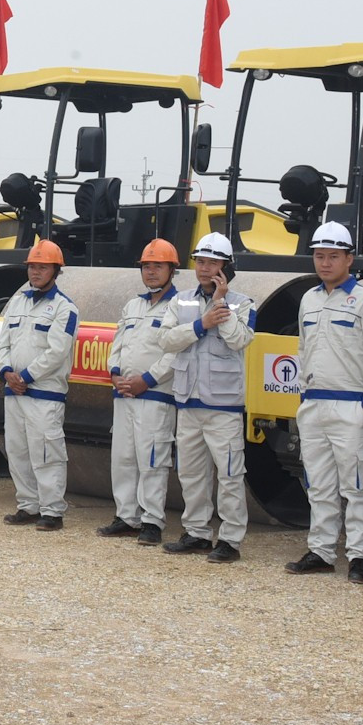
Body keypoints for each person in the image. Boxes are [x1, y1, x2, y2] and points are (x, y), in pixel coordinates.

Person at [285, 222, 363, 583]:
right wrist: (302, 395)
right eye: (319, 256)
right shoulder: (309, 299)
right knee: (319, 483)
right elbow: (302, 349)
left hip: (350, 405)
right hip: (314, 405)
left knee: (357, 484)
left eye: (332, 256)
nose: (325, 263)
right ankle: (322, 550)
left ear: (349, 258)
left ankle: (360, 556)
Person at [158, 233, 256, 562]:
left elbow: (239, 340)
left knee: (230, 474)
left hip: (224, 406)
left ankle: (230, 539)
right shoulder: (181, 300)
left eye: (212, 262)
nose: (204, 268)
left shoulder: (243, 303)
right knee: (191, 473)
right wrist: (200, 325)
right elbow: (166, 340)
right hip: (187, 401)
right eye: (200, 261)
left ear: (227, 267)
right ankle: (197, 532)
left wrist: (221, 305)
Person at [103, 238, 184, 545]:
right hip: (124, 393)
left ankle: (152, 521)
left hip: (155, 395)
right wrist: (115, 374)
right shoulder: (133, 305)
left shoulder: (179, 306)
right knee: (122, 457)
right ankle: (126, 516)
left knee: (152, 459)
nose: (150, 272)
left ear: (172, 269)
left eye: (157, 266)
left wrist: (147, 380)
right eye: (146, 266)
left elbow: (177, 352)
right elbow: (118, 344)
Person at [0, 239, 78, 531]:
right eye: (32, 266)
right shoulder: (17, 302)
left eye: (42, 267)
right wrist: (6, 372)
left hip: (44, 393)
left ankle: (52, 511)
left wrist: (26, 377)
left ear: (56, 270)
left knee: (46, 452)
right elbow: (2, 340)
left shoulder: (65, 308)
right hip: (14, 391)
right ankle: (28, 505)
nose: (35, 272)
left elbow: (57, 352)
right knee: (17, 450)